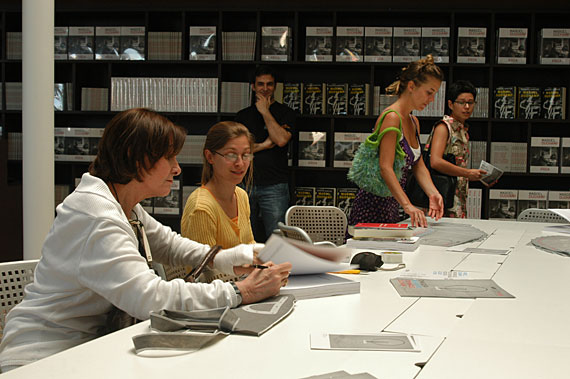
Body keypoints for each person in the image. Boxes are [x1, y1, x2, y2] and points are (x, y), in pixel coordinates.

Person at [0, 108, 291, 372]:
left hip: (85, 349)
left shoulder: (121, 202)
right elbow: (152, 299)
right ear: (136, 158)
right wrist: (240, 292)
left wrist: (238, 255)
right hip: (42, 360)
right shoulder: (98, 217)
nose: (177, 169)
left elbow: (169, 244)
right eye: (169, 158)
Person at [348, 55, 444, 231]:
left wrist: (433, 193)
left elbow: (418, 164)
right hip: (373, 205)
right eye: (429, 93)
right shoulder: (391, 118)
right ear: (411, 86)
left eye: (434, 94)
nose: (431, 100)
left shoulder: (413, 121)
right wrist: (407, 205)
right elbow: (385, 167)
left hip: (392, 204)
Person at [181, 121, 256, 282]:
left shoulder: (241, 195)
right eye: (231, 155)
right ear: (210, 157)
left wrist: (265, 263)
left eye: (246, 155)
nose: (240, 163)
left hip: (241, 286)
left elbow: (250, 245)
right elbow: (204, 273)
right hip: (215, 296)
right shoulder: (201, 207)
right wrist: (254, 272)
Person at [235, 65, 296, 242]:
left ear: (275, 86)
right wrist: (264, 145)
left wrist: (265, 111)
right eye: (260, 84)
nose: (265, 88)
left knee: (277, 238)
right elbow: (239, 150)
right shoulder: (242, 116)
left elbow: (281, 140)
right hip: (245, 184)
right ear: (253, 86)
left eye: (269, 84)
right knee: (244, 237)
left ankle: (276, 270)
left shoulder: (286, 113)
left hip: (275, 185)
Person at [425, 80, 490, 218]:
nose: (467, 107)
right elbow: (435, 162)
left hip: (457, 197)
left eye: (471, 102)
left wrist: (479, 176)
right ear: (450, 104)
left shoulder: (462, 130)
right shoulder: (444, 127)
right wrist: (467, 173)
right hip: (443, 197)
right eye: (461, 102)